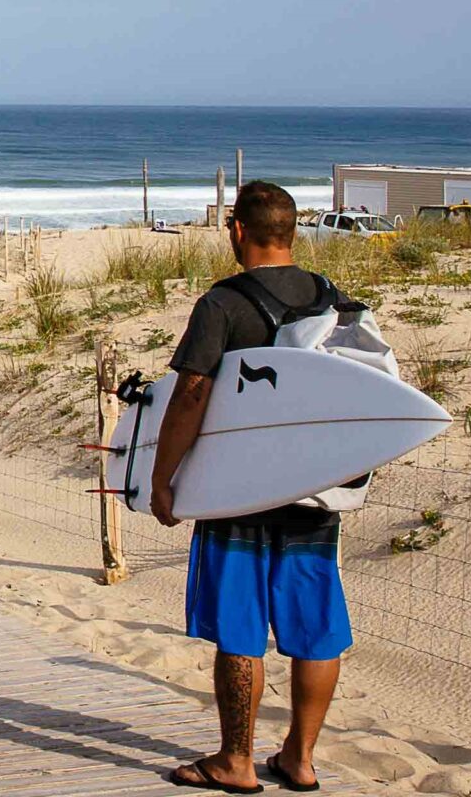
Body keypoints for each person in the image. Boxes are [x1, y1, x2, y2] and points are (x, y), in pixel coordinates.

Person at [152, 180, 349, 795]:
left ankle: (236, 761)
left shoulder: (223, 303)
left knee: (240, 626)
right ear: (292, 231)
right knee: (314, 626)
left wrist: (164, 478)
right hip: (313, 486)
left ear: (236, 229)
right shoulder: (333, 299)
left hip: (238, 489)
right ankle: (301, 758)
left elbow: (191, 393)